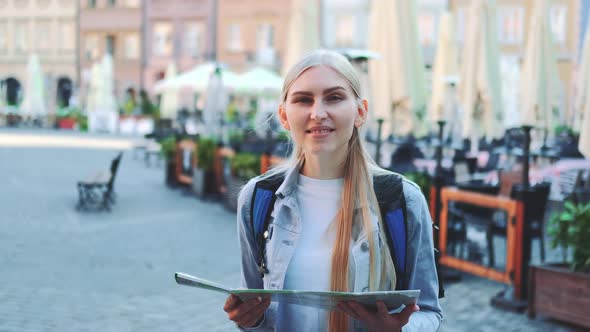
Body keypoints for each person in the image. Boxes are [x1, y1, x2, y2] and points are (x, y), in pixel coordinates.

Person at [223, 50, 442, 331]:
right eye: (303, 100)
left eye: (334, 97)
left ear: (360, 111)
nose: (318, 113)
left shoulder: (402, 200)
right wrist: (249, 320)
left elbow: (430, 312)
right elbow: (255, 307)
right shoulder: (257, 199)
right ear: (284, 116)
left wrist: (399, 330)